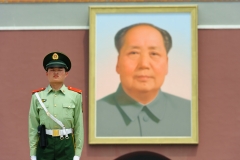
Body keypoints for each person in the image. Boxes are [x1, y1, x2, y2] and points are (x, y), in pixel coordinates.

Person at [97, 23, 191, 137]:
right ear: (118, 63)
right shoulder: (91, 115)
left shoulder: (190, 114)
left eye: (154, 53)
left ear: (166, 64)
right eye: (134, 53)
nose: (144, 64)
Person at [28, 52, 84, 160]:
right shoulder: (37, 96)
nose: (56, 73)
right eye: (52, 70)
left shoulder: (75, 96)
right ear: (46, 73)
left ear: (66, 73)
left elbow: (79, 126)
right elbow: (33, 127)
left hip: (66, 144)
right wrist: (33, 153)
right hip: (45, 144)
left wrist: (77, 153)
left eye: (60, 70)